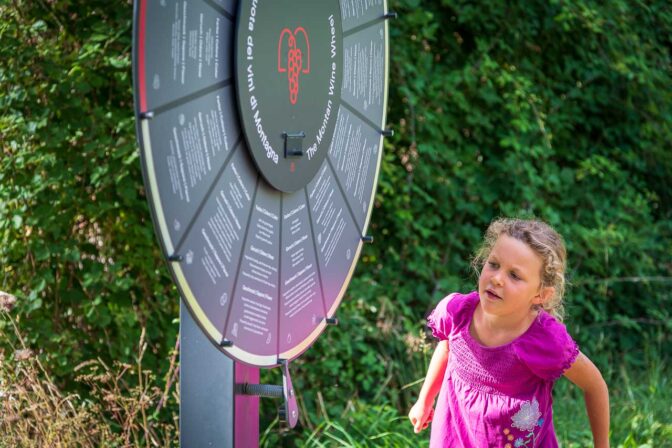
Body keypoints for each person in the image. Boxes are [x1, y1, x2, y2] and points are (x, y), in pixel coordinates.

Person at [408, 218, 609, 447]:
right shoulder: (456, 313)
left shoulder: (545, 341)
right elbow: (448, 347)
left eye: (514, 275)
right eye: (494, 264)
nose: (497, 278)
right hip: (455, 437)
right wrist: (425, 400)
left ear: (541, 295)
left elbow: (594, 385)